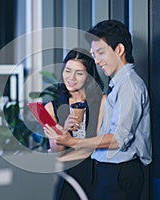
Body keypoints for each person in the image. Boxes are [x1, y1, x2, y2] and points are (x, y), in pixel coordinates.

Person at [44, 20, 152, 200]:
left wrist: (71, 142)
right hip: (107, 172)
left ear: (119, 50)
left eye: (101, 53)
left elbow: (118, 139)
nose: (97, 60)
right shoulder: (118, 86)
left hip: (120, 173)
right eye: (94, 54)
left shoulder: (129, 87)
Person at [44, 47, 106, 200]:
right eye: (67, 71)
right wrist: (62, 130)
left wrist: (60, 157)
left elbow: (98, 143)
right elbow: (56, 150)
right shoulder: (50, 108)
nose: (71, 78)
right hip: (67, 178)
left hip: (96, 174)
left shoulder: (102, 101)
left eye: (79, 73)